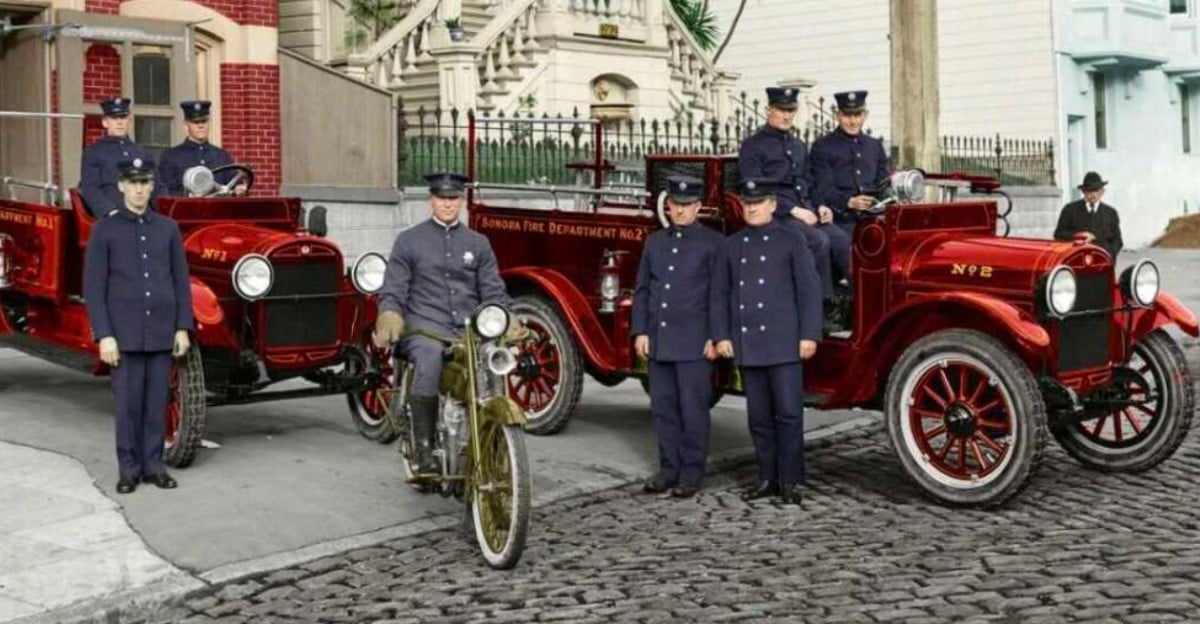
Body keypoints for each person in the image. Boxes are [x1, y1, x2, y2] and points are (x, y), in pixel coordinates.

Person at [373, 171, 524, 474]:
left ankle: (490, 443)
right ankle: (424, 451)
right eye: (442, 198)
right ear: (432, 200)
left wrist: (507, 319)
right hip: (425, 327)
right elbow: (393, 289)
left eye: (454, 198)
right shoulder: (409, 241)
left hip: (468, 330)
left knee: (492, 366)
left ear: (462, 201)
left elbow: (492, 290)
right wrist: (389, 314)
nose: (448, 204)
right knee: (429, 360)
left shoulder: (478, 243)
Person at [83, 158, 193, 494]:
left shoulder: (167, 228)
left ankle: (154, 466)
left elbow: (180, 281)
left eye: (144, 183)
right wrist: (105, 335)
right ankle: (128, 470)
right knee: (129, 405)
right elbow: (94, 287)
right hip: (124, 334)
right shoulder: (105, 230)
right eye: (133, 183)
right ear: (121, 187)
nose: (139, 190)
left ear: (151, 186)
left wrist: (181, 327)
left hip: (161, 331)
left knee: (156, 403)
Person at [713, 178, 822, 506]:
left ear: (773, 205)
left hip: (784, 341)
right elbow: (720, 295)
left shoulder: (791, 240)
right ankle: (766, 478)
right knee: (759, 418)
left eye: (758, 203)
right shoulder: (732, 245)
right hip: (750, 344)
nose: (752, 208)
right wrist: (722, 335)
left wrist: (809, 335)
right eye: (747, 204)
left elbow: (808, 291)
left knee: (788, 414)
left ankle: (791, 480)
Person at [632, 174, 725, 499]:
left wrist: (716, 336)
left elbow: (718, 295)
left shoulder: (713, 244)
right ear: (667, 206)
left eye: (688, 206)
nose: (681, 211)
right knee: (664, 408)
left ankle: (691, 472)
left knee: (693, 409)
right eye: (676, 206)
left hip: (694, 341)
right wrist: (641, 330)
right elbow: (644, 289)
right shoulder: (655, 242)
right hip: (660, 339)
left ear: (698, 207)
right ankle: (668, 469)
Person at [738, 86, 851, 308]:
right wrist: (792, 210)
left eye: (791, 110)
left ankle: (855, 302)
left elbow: (809, 181)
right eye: (781, 110)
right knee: (818, 240)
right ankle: (821, 306)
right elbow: (755, 189)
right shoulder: (753, 146)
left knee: (842, 241)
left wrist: (821, 206)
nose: (787, 115)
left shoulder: (797, 145)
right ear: (768, 110)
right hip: (774, 214)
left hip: (805, 210)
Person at [810, 90, 891, 235]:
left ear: (865, 116)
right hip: (840, 219)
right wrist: (849, 201)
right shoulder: (823, 146)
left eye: (857, 115)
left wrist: (880, 201)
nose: (853, 121)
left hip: (873, 217)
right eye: (847, 115)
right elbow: (824, 188)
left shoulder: (874, 146)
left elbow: (883, 183)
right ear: (838, 116)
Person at [80, 97, 162, 217]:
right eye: (114, 118)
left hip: (145, 216)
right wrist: (110, 211)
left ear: (129, 120)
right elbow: (90, 189)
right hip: (113, 216)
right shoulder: (93, 153)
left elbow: (157, 186)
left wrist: (163, 210)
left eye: (123, 117)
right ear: (105, 122)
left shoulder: (142, 153)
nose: (119, 122)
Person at [157, 100, 241, 196]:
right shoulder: (171, 156)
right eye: (195, 122)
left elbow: (234, 187)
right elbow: (165, 192)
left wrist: (240, 190)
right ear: (186, 124)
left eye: (204, 121)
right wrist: (187, 196)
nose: (201, 126)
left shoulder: (221, 155)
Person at [1053, 171, 1123, 259]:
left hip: (1103, 262)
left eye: (1096, 190)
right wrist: (1079, 236)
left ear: (1102, 191)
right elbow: (1058, 234)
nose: (1092, 194)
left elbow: (1118, 241)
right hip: (1077, 261)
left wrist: (1108, 254)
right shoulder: (1070, 210)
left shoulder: (1111, 213)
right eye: (1089, 191)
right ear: (1083, 191)